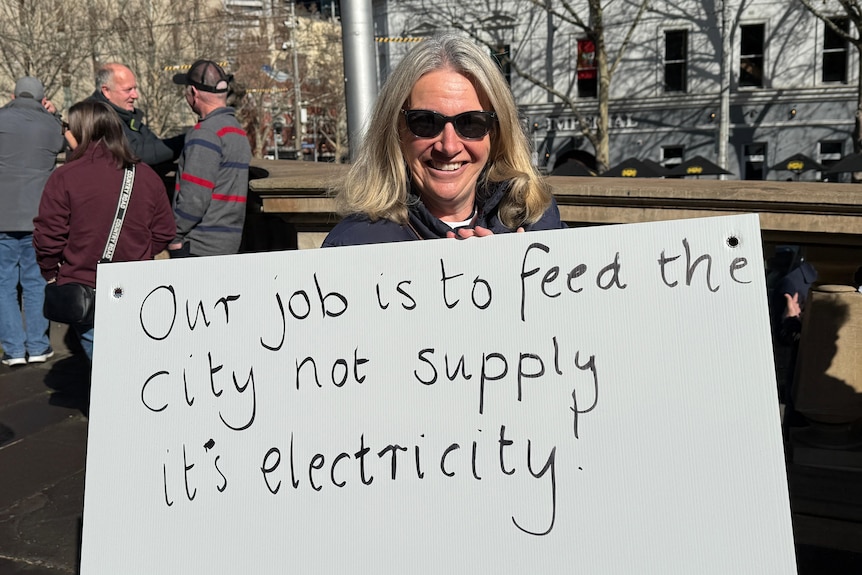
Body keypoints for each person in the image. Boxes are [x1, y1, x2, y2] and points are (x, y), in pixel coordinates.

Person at [322, 34, 564, 247]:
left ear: (497, 133)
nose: (449, 146)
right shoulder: (354, 247)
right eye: (426, 122)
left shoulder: (538, 222)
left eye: (471, 123)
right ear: (395, 131)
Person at [33, 101, 175, 361]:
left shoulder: (65, 177)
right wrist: (138, 252)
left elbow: (48, 236)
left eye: (67, 127)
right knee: (134, 361)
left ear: (80, 131)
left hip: (85, 284)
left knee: (104, 368)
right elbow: (165, 231)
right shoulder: (145, 174)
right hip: (137, 285)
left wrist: (50, 272)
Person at [0, 77, 66, 366]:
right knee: (36, 281)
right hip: (38, 217)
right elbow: (68, 141)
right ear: (42, 99)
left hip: (2, 217)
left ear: (14, 94)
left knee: (3, 283)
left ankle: (14, 349)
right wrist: (53, 114)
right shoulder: (50, 124)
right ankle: (38, 345)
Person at [168, 59, 251, 257]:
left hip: (198, 246)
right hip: (228, 242)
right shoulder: (236, 131)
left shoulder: (205, 133)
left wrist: (174, 235)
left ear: (194, 93)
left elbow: (194, 199)